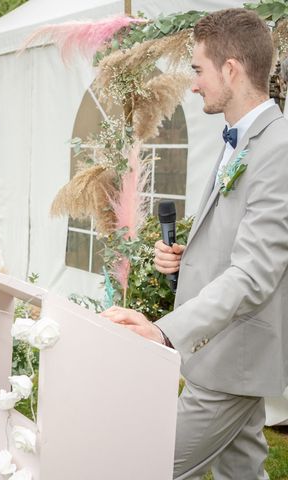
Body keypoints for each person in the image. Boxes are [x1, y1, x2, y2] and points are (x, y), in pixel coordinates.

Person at [101, 9, 288, 479]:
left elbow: (255, 273)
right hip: (226, 355)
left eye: (198, 70)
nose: (193, 84)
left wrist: (163, 332)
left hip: (231, 360)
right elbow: (241, 245)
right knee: (240, 473)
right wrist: (190, 263)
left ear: (231, 69)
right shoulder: (241, 140)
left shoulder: (279, 148)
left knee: (145, 467)